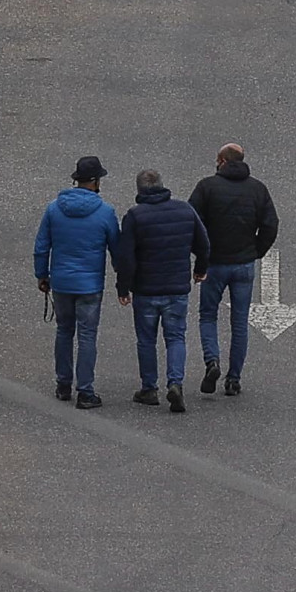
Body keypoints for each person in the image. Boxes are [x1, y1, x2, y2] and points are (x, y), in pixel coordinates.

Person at [109, 167, 209, 412]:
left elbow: (126, 258)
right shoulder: (185, 210)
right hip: (177, 289)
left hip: (146, 290)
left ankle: (149, 388)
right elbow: (203, 244)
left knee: (146, 340)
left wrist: (123, 288)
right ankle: (175, 383)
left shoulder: (135, 216)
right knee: (175, 337)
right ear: (163, 186)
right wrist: (200, 270)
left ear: (139, 189)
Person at [188, 145, 280, 398]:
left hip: (214, 263)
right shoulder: (257, 189)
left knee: (208, 315)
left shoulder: (206, 187)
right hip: (243, 264)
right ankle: (234, 379)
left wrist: (201, 253)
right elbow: (270, 225)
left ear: (221, 161)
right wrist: (255, 251)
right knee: (239, 322)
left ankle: (212, 361)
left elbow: (191, 221)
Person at [32, 156, 121, 409]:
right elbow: (117, 248)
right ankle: (85, 391)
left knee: (63, 331)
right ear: (94, 182)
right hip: (90, 285)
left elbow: (41, 246)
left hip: (61, 282)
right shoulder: (105, 212)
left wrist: (42, 275)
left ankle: (63, 384)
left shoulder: (54, 208)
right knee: (87, 335)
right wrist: (123, 281)